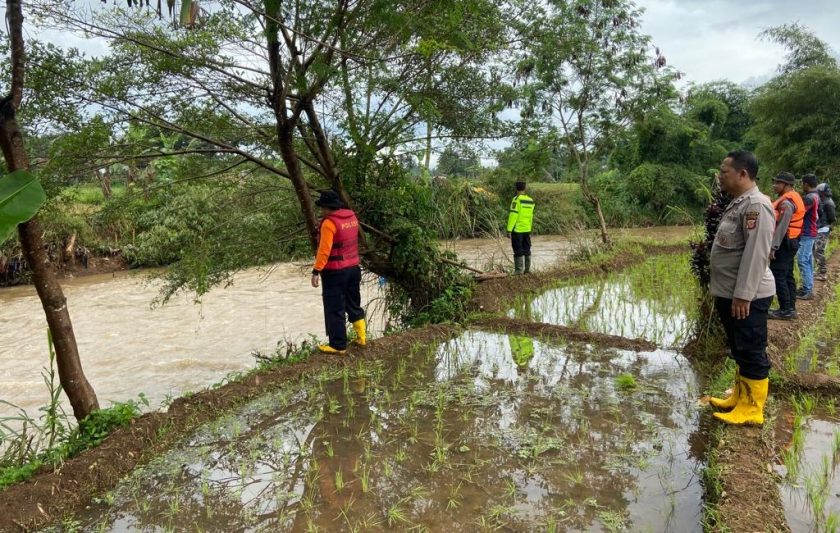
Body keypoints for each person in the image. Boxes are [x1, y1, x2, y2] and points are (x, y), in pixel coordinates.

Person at [707, 150, 775, 426]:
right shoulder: (738, 203)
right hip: (730, 293)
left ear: (742, 174)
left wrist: (744, 294)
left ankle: (751, 409)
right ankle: (739, 396)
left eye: (724, 172)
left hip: (746, 296)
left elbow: (756, 254)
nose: (720, 177)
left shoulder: (756, 206)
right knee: (739, 348)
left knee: (750, 349)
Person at [310, 190, 365, 354]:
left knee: (335, 308)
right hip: (354, 268)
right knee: (353, 303)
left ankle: (338, 345)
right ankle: (362, 338)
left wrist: (316, 271)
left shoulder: (329, 223)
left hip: (335, 272)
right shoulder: (351, 217)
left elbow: (324, 251)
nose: (321, 211)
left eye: (322, 208)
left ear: (327, 207)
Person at [768, 172, 803, 320]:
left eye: (778, 183)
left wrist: (773, 247)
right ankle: (790, 308)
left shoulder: (786, 203)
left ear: (787, 185)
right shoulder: (792, 198)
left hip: (785, 242)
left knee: (779, 275)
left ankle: (785, 310)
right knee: (787, 274)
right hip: (792, 240)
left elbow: (782, 227)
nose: (774, 185)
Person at [796, 174, 820, 299]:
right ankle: (808, 287)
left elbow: (800, 212)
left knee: (802, 260)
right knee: (808, 260)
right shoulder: (816, 195)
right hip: (811, 231)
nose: (801, 185)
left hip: (807, 232)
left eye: (802, 183)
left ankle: (807, 290)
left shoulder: (810, 198)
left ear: (806, 184)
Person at [506, 181, 535, 275]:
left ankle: (518, 271)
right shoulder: (530, 200)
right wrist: (530, 228)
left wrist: (509, 229)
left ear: (516, 188)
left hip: (517, 229)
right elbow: (531, 216)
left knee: (517, 249)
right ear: (524, 188)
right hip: (527, 229)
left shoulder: (516, 200)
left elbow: (513, 215)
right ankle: (527, 270)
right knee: (527, 249)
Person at [815, 182, 836, 281]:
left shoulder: (828, 203)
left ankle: (823, 273)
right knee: (816, 250)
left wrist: (828, 226)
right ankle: (820, 270)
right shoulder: (824, 201)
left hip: (823, 228)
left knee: (819, 250)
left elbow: (832, 218)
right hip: (820, 228)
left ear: (822, 192)